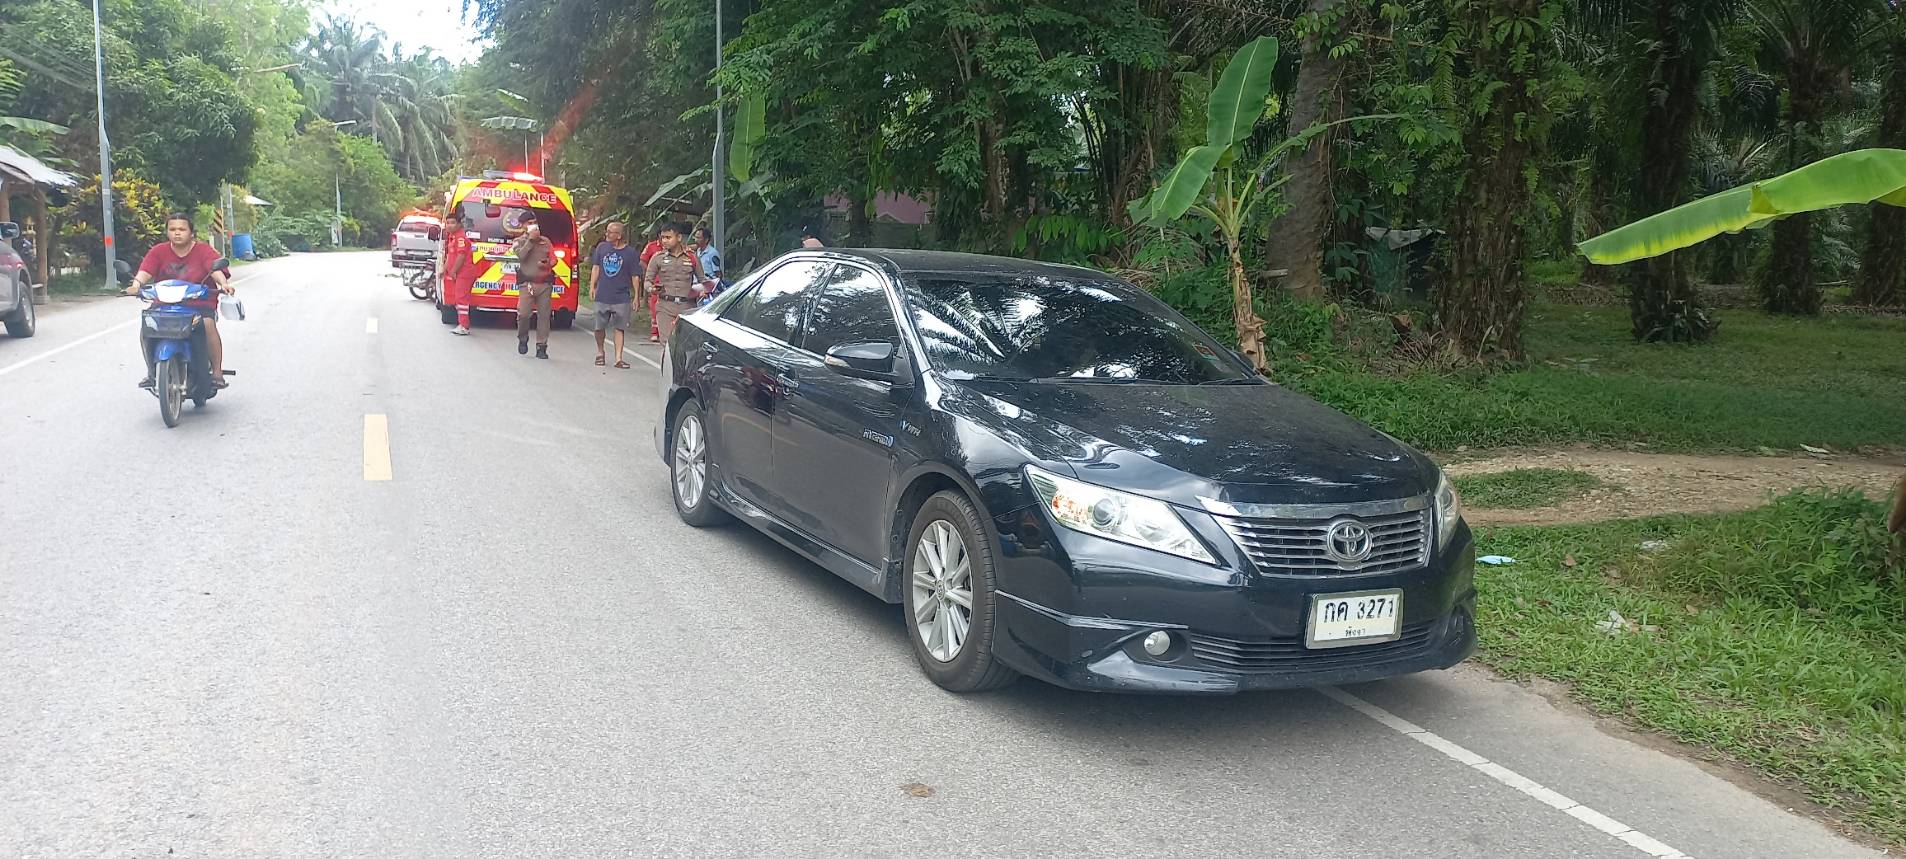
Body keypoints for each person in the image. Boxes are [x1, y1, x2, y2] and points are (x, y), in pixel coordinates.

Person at [124, 213, 235, 388]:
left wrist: (224, 284)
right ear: (167, 232)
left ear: (191, 233)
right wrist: (135, 285)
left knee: (207, 324)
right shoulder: (158, 251)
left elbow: (214, 269)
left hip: (199, 302)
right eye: (172, 229)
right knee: (148, 325)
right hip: (164, 303)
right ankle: (152, 372)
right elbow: (145, 270)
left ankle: (216, 372)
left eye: (182, 229)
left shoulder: (203, 250)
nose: (177, 233)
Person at [644, 222, 709, 344]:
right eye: (663, 237)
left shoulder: (692, 257)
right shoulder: (657, 257)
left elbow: (703, 281)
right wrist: (651, 289)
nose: (664, 241)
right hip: (665, 306)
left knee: (686, 344)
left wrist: (703, 292)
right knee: (667, 343)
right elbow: (647, 281)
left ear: (679, 237)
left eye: (668, 237)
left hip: (687, 307)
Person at [590, 221, 640, 368]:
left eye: (610, 232)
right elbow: (596, 268)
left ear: (618, 236)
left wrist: (636, 296)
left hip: (621, 297)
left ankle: (618, 358)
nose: (606, 234)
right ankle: (600, 352)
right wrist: (592, 286)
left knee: (619, 328)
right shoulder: (601, 248)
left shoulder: (630, 253)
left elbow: (635, 276)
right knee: (599, 327)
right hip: (603, 295)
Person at [511, 213, 556, 359]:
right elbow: (521, 256)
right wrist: (530, 240)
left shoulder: (545, 241)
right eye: (529, 223)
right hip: (527, 284)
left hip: (544, 284)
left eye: (534, 222)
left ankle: (541, 346)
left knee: (544, 316)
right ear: (522, 225)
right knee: (523, 314)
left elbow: (554, 260)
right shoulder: (518, 241)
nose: (533, 225)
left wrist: (547, 264)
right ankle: (523, 338)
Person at [441, 211, 476, 335]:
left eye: (453, 223)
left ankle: (464, 326)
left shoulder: (461, 238)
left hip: (464, 273)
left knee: (461, 299)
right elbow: (450, 256)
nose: (449, 225)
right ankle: (462, 324)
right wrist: (444, 269)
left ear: (459, 224)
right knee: (458, 298)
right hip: (459, 273)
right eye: (448, 223)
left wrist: (453, 271)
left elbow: (461, 256)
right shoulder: (453, 237)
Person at [641, 225, 666, 343]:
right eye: (663, 236)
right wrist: (651, 272)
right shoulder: (651, 246)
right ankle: (655, 332)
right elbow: (642, 261)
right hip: (656, 284)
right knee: (655, 308)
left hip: (670, 283)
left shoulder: (674, 248)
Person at [693, 226, 726, 298]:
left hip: (709, 288)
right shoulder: (697, 252)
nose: (696, 240)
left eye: (698, 238)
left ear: (706, 240)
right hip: (698, 286)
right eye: (695, 237)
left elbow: (718, 273)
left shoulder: (712, 253)